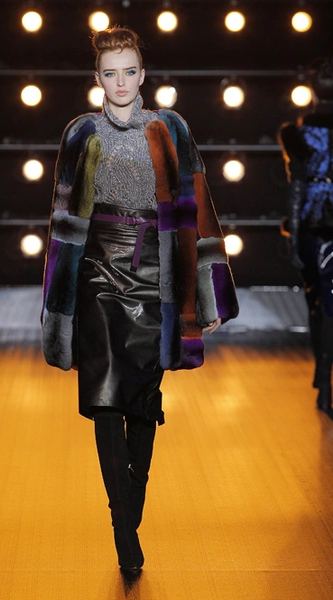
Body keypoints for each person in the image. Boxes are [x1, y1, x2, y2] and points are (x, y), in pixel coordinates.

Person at [41, 26, 239, 581]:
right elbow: (63, 222)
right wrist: (58, 303)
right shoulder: (80, 133)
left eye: (129, 71)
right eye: (111, 73)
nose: (121, 81)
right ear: (97, 78)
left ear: (143, 75)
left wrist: (208, 293)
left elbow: (198, 208)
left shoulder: (170, 128)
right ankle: (122, 528)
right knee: (105, 396)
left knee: (143, 401)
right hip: (99, 274)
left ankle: (132, 503)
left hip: (156, 275)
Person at [279, 57, 333, 418]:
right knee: (325, 303)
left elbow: (297, 188)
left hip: (314, 226)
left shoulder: (297, 135)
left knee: (319, 303)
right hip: (319, 227)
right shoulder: (295, 134)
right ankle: (324, 382)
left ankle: (323, 382)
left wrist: (294, 233)